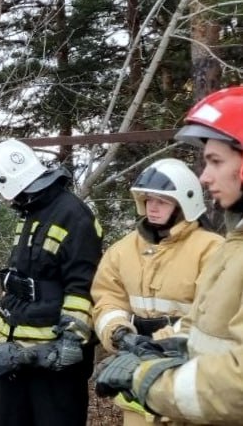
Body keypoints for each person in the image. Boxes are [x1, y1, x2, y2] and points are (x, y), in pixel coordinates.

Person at [95, 86, 243, 424]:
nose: (205, 177)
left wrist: (146, 378)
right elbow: (203, 327)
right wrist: (135, 342)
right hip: (173, 398)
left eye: (215, 161)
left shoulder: (211, 246)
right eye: (148, 200)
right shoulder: (233, 247)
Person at [0, 139, 103, 426]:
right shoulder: (31, 212)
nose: (3, 199)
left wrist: (72, 340)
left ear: (10, 181)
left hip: (55, 361)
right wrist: (1, 340)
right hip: (14, 356)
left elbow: (84, 284)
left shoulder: (73, 215)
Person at [91, 158, 222, 425]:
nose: (152, 207)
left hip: (187, 373)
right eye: (148, 199)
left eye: (162, 201)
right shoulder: (122, 250)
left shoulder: (212, 249)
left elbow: (215, 312)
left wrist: (163, 343)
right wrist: (118, 332)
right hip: (135, 374)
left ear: (184, 203)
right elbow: (107, 298)